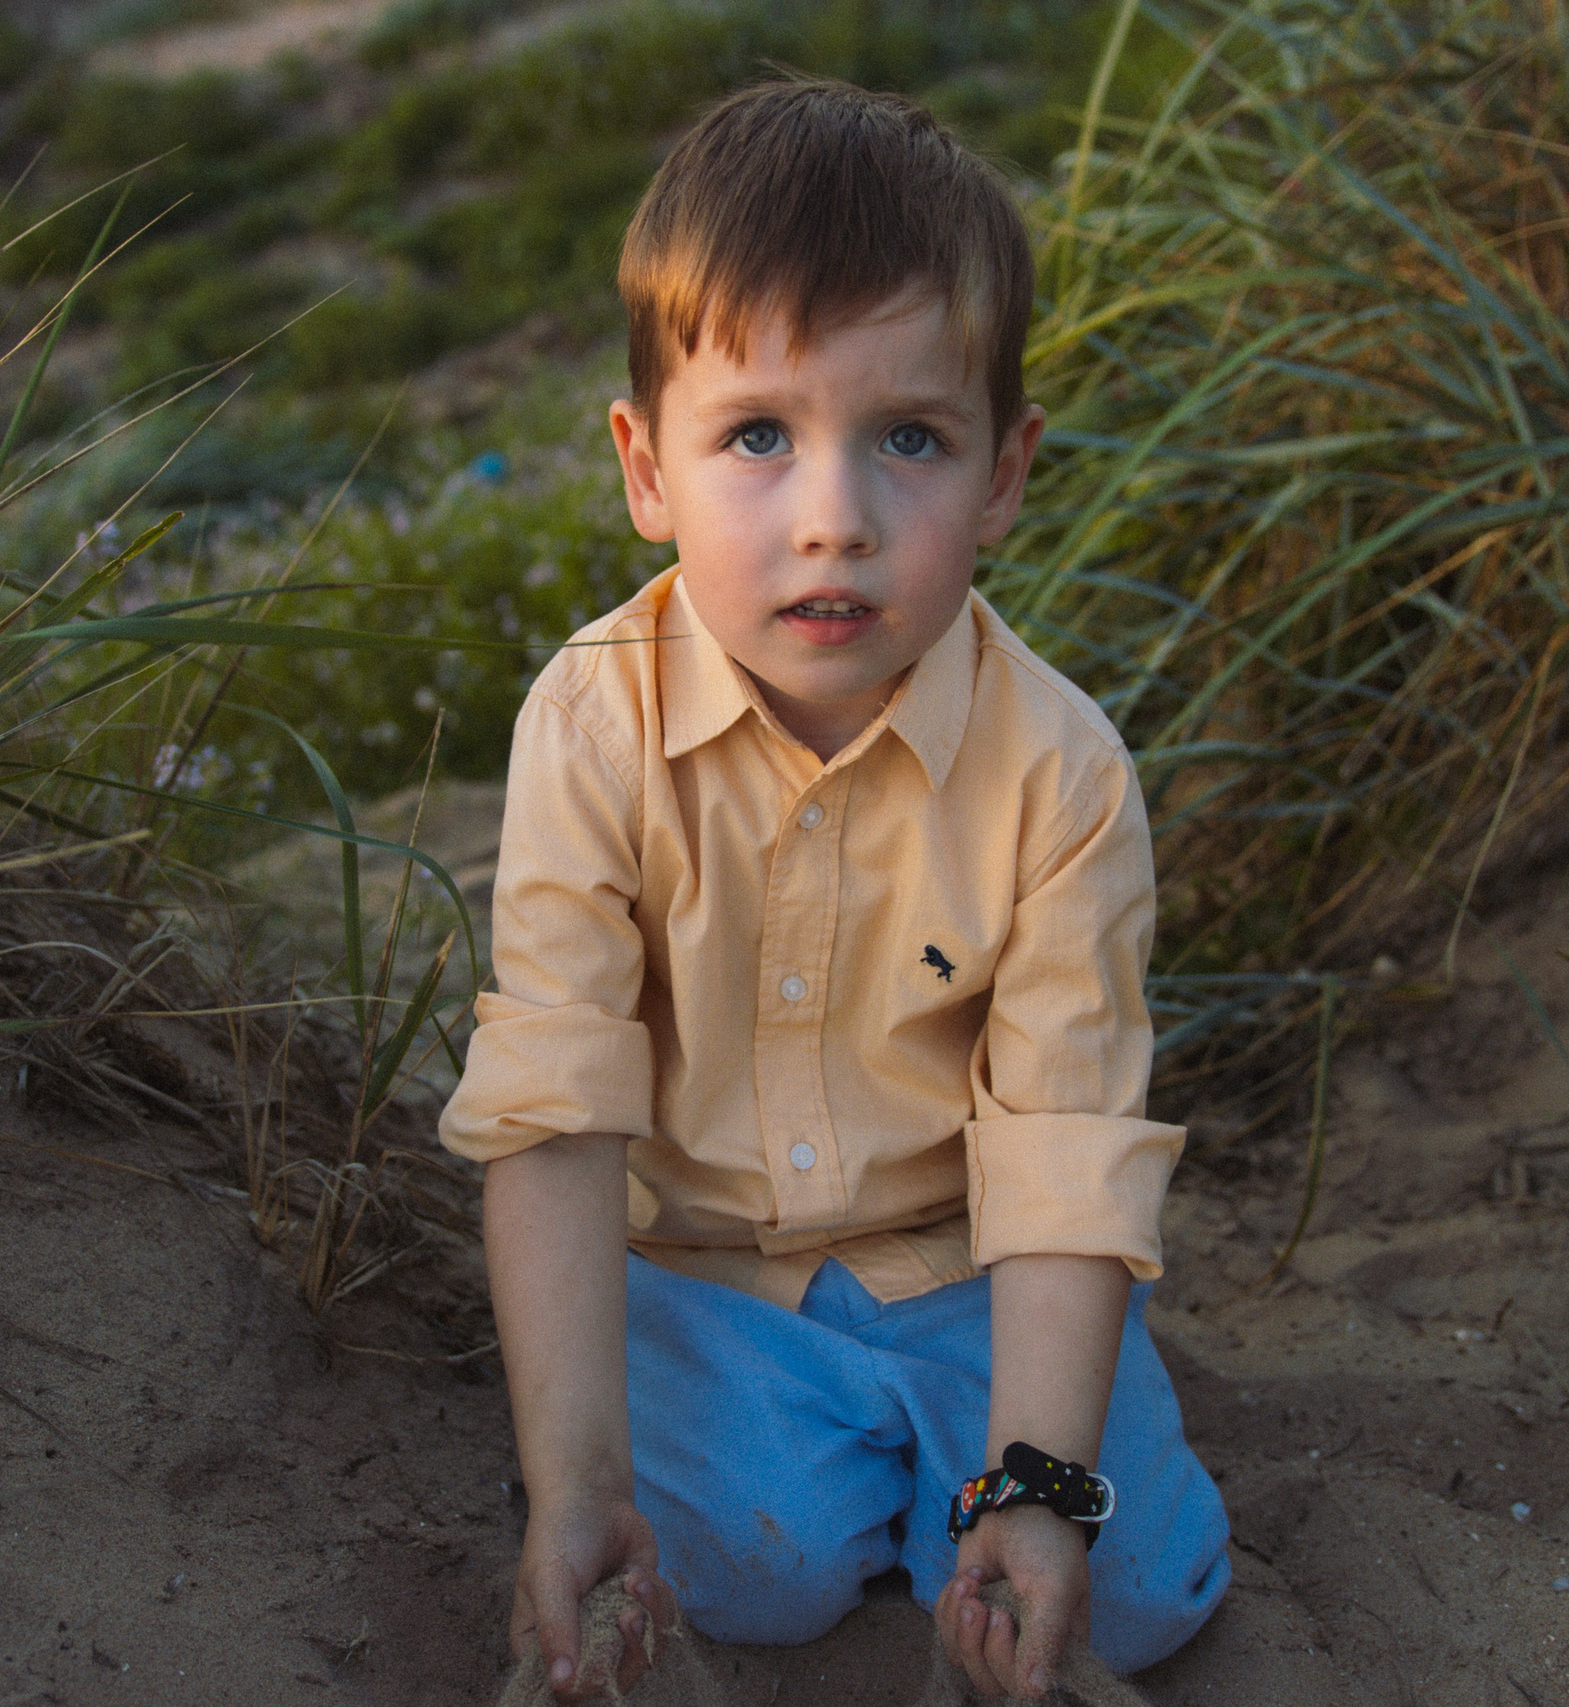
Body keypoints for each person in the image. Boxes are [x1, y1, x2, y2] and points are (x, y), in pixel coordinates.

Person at [438, 76, 1229, 1704]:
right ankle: (791, 1477)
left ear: (1004, 474)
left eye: (910, 440)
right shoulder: (591, 727)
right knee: (734, 1568)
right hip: (705, 1280)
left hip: (973, 1274)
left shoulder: (1063, 774)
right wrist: (577, 1482)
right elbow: (556, 1119)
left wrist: (1036, 1490)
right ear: (645, 468)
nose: (835, 522)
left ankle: (982, 1471)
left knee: (1137, 1593)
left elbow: (1064, 1156)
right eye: (756, 437)